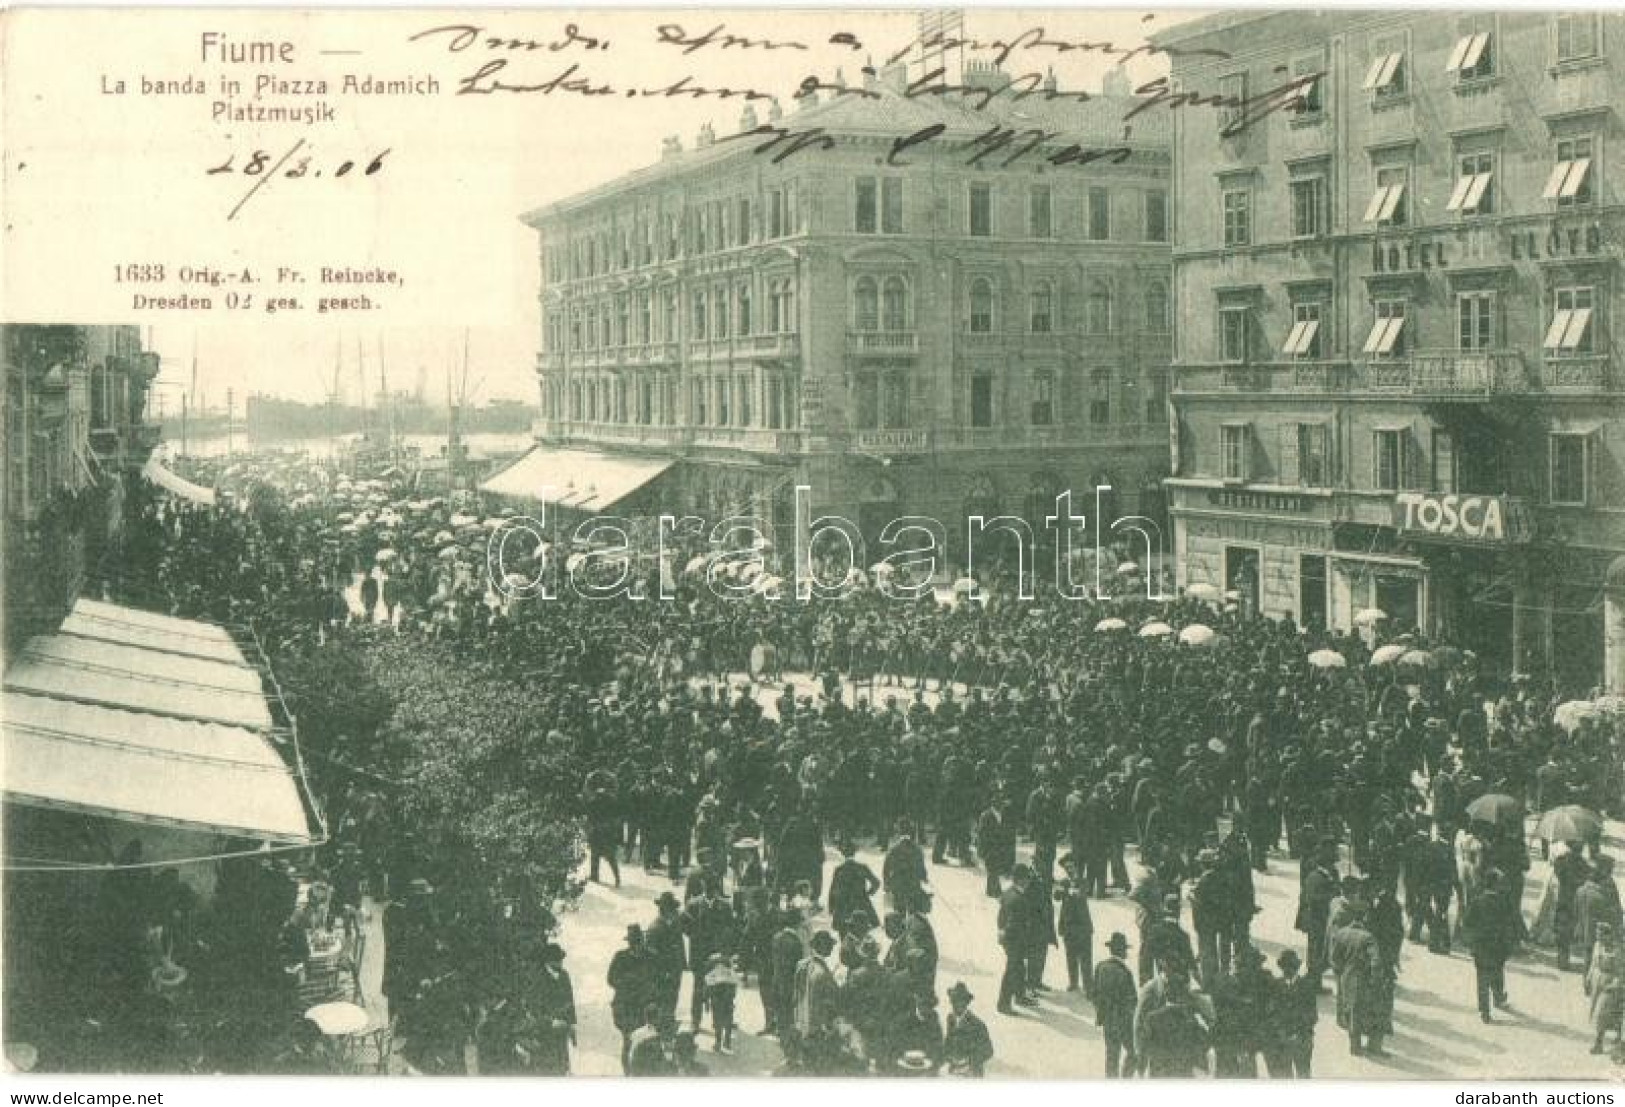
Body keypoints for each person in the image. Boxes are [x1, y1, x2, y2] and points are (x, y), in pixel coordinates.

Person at [1329, 905, 1386, 1057]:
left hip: (1346, 977)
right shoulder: (1368, 937)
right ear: (1365, 918)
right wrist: (1375, 979)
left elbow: (1333, 958)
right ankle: (1366, 1046)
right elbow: (1376, 961)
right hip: (1363, 978)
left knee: (1351, 1009)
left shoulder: (1341, 934)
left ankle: (1355, 1046)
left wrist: (1341, 971)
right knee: (1366, 1010)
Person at [1463, 868, 1517, 1022]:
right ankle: (1499, 997)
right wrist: (1509, 944)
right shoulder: (1504, 903)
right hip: (1498, 947)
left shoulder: (1477, 901)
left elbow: (1467, 922)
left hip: (1480, 947)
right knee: (1498, 971)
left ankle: (1484, 1011)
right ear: (1495, 885)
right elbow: (1510, 924)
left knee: (1482, 978)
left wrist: (1471, 943)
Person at [1137, 969, 1211, 1077]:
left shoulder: (1151, 1018)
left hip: (1159, 1075)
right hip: (1183, 1074)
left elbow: (1143, 1049)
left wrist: (1141, 1068)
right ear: (1183, 994)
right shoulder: (1190, 1018)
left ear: (1166, 993)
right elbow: (1205, 1043)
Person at [793, 930, 842, 1073]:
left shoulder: (802, 965)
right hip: (818, 1026)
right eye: (830, 946)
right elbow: (830, 1002)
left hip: (803, 1023)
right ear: (825, 947)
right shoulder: (822, 973)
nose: (832, 949)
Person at [1092, 932, 1138, 1078]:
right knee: (1133, 1051)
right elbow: (1132, 1000)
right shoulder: (1125, 972)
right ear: (1122, 951)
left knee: (1112, 1055)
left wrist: (1101, 1011)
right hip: (1124, 1020)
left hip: (1107, 1019)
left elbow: (1093, 994)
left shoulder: (1100, 967)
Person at [1265, 949, 1316, 1077]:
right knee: (1284, 1076)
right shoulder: (1275, 985)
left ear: (1297, 967)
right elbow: (1271, 1011)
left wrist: (1299, 1032)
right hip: (1282, 1040)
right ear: (1282, 968)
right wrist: (1281, 1031)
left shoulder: (1307, 986)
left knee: (1303, 1074)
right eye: (1285, 967)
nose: (1288, 970)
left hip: (1302, 1039)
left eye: (1292, 966)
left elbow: (1312, 1014)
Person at [608, 925, 652, 1072]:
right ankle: (628, 1072)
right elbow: (611, 979)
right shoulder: (620, 957)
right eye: (634, 942)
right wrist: (628, 983)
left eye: (639, 942)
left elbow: (656, 979)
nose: (638, 946)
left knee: (645, 1039)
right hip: (624, 1006)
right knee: (628, 1039)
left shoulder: (649, 956)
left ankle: (640, 1070)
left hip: (643, 1006)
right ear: (630, 943)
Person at [996, 865, 1040, 1014]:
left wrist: (1001, 932)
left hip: (1009, 939)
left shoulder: (1008, 893)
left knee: (1020, 968)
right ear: (1021, 880)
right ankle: (1003, 1004)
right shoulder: (1018, 899)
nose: (1028, 881)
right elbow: (1014, 925)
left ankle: (1019, 995)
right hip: (1015, 940)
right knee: (1012, 970)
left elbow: (1001, 917)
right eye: (1027, 878)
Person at [531, 942, 576, 1075]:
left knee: (562, 1065)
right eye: (557, 959)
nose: (560, 962)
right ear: (548, 961)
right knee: (547, 1066)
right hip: (544, 1031)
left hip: (562, 1029)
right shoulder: (537, 978)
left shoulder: (564, 976)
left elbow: (570, 1000)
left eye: (561, 959)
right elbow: (534, 1007)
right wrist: (550, 1022)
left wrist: (572, 1024)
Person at [645, 891, 686, 1022]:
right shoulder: (654, 928)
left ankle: (670, 1018)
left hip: (675, 968)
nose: (675, 912)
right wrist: (664, 971)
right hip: (662, 971)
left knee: (674, 994)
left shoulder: (676, 923)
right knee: (662, 997)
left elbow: (680, 943)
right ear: (665, 910)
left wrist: (682, 963)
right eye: (672, 909)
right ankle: (662, 1022)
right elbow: (651, 955)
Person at [1585, 924, 1624, 1055]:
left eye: (1601, 935)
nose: (1599, 937)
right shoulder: (1597, 945)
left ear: (1609, 935)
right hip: (1597, 980)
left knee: (1602, 1013)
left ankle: (1599, 1043)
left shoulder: (1617, 951)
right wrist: (1589, 978)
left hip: (1609, 984)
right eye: (1597, 934)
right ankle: (1618, 1037)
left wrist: (1614, 985)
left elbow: (1620, 972)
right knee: (1599, 1011)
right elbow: (1593, 963)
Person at [828, 840, 881, 935]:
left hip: (843, 907)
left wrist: (831, 907)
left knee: (843, 932)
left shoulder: (839, 870)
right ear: (854, 853)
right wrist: (868, 893)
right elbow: (876, 883)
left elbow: (833, 890)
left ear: (842, 854)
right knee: (862, 931)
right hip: (860, 904)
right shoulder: (862, 867)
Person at [942, 981, 994, 1076]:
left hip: (972, 1072)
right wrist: (947, 1056)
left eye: (957, 1001)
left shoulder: (977, 1024)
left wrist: (969, 1061)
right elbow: (948, 1041)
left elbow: (989, 1051)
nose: (953, 1005)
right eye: (952, 1001)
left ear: (966, 1003)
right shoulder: (950, 1018)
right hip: (954, 1069)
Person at [1057, 876, 1094, 995]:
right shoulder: (1065, 884)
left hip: (1083, 930)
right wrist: (1066, 890)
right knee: (1070, 957)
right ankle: (1073, 982)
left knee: (1085, 959)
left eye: (1072, 866)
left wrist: (1073, 891)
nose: (1069, 869)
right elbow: (1057, 897)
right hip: (1069, 929)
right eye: (1067, 867)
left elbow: (1083, 892)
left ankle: (1088, 987)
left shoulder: (1082, 883)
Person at [704, 953, 738, 1054]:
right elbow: (734, 988)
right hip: (726, 1001)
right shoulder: (729, 975)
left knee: (718, 1022)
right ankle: (725, 1042)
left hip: (717, 1002)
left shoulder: (712, 975)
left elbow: (706, 989)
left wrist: (706, 1002)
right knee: (726, 1022)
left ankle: (719, 1042)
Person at [625, 1007, 673, 1076]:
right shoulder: (639, 1033)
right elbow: (632, 1056)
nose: (660, 1019)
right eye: (658, 1016)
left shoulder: (663, 1032)